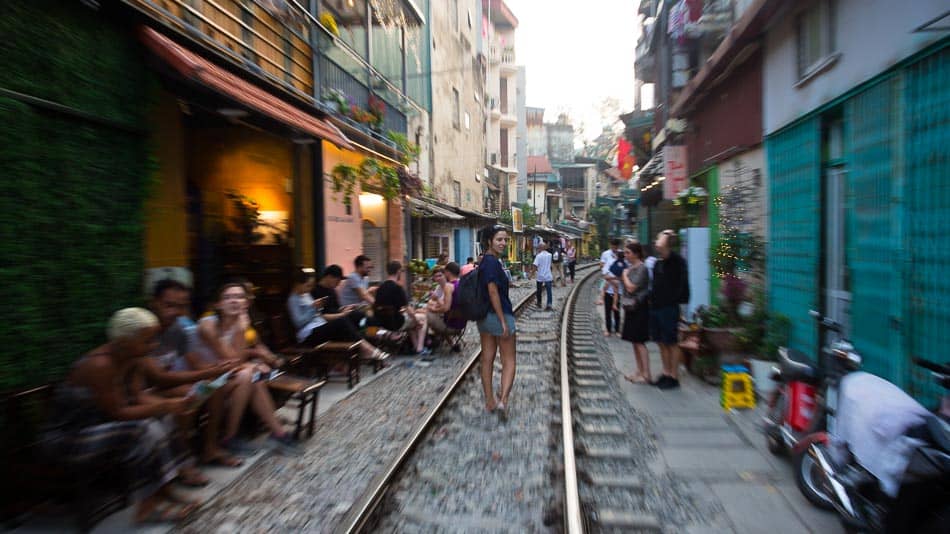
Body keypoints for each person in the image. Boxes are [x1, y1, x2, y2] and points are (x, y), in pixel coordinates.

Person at [42, 308, 199, 524]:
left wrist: (172, 406)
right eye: (148, 340)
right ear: (124, 341)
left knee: (164, 419)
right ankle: (146, 508)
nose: (154, 345)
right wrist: (165, 405)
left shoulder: (132, 358)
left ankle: (164, 490)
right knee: (143, 430)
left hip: (101, 426)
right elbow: (118, 413)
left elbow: (138, 398)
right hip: (70, 438)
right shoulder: (100, 365)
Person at [145, 279, 243, 469]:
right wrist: (212, 371)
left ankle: (210, 447)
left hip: (168, 385)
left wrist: (216, 370)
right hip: (148, 390)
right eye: (169, 305)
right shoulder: (145, 330)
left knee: (214, 387)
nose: (175, 312)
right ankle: (183, 460)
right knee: (192, 396)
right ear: (154, 303)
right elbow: (158, 377)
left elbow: (194, 361)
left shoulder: (178, 329)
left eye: (181, 306)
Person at [191, 282, 299, 454]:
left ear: (246, 303)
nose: (234, 301)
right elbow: (234, 360)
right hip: (199, 385)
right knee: (248, 374)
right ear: (218, 304)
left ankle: (277, 433)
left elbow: (236, 361)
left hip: (221, 379)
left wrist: (250, 357)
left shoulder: (237, 325)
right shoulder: (208, 325)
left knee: (253, 378)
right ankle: (230, 437)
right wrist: (242, 331)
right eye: (228, 297)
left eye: (239, 297)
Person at [288, 267, 390, 360]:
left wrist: (342, 309)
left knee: (360, 317)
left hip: (320, 325)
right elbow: (299, 323)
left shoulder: (306, 295)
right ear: (298, 284)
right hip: (309, 334)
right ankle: (367, 348)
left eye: (311, 286)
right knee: (344, 323)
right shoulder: (293, 300)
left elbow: (320, 313)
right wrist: (314, 309)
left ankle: (377, 334)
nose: (309, 289)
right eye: (307, 286)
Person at [477, 224, 517, 417]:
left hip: (484, 318)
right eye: (499, 239)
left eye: (505, 240)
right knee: (509, 360)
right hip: (500, 315)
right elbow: (493, 291)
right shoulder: (492, 262)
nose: (503, 243)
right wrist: (502, 321)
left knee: (487, 359)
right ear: (489, 241)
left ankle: (490, 401)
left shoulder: (485, 261)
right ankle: (503, 401)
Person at [651, 230, 690, 389]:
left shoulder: (677, 261)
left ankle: (674, 376)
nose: (656, 241)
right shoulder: (658, 262)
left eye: (660, 238)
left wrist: (666, 235)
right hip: (656, 306)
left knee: (671, 342)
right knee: (661, 342)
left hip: (669, 307)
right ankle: (666, 372)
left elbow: (680, 286)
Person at [371, 261, 429, 355]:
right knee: (422, 318)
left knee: (411, 322)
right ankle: (420, 348)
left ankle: (415, 347)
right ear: (398, 272)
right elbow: (409, 309)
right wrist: (417, 322)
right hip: (396, 323)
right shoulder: (398, 288)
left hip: (382, 322)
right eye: (401, 271)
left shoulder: (380, 288)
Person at [620, 243, 652, 384]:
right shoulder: (632, 268)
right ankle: (639, 371)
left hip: (639, 308)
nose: (625, 255)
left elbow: (631, 288)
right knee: (634, 341)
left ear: (636, 254)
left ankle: (646, 374)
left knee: (640, 341)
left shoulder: (642, 268)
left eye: (628, 253)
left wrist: (624, 276)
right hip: (631, 308)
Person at [312, 264, 365, 329]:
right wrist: (342, 314)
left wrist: (346, 308)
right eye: (338, 280)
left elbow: (336, 308)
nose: (339, 283)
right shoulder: (315, 291)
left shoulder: (331, 290)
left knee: (359, 315)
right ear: (329, 277)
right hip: (327, 321)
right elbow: (321, 316)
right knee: (346, 320)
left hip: (338, 316)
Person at [426, 263, 466, 348]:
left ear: (448, 272)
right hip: (462, 324)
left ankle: (427, 342)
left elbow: (446, 308)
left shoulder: (449, 286)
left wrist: (433, 310)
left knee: (425, 314)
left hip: (450, 326)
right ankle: (451, 343)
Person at [531, 242, 554, 311]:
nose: (538, 249)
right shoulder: (550, 255)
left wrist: (531, 274)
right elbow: (550, 265)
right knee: (549, 291)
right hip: (548, 275)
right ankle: (549, 304)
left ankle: (539, 303)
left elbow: (535, 266)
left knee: (539, 290)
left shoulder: (538, 256)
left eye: (538, 247)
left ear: (540, 248)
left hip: (540, 275)